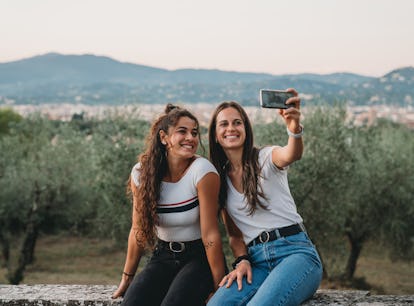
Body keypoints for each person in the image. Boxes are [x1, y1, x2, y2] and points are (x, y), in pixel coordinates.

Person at [207, 89, 323, 306]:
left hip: (295, 253)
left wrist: (294, 130)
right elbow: (234, 236)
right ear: (215, 134)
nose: (231, 128)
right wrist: (241, 261)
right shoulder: (220, 180)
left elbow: (292, 153)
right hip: (257, 262)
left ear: (246, 129)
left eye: (237, 123)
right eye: (223, 124)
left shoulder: (266, 157)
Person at [112, 104, 226, 306]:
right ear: (164, 137)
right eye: (182, 131)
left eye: (194, 133)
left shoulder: (203, 172)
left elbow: (210, 235)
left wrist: (219, 287)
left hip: (199, 259)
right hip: (163, 256)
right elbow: (138, 230)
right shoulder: (141, 174)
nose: (191, 138)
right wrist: (128, 277)